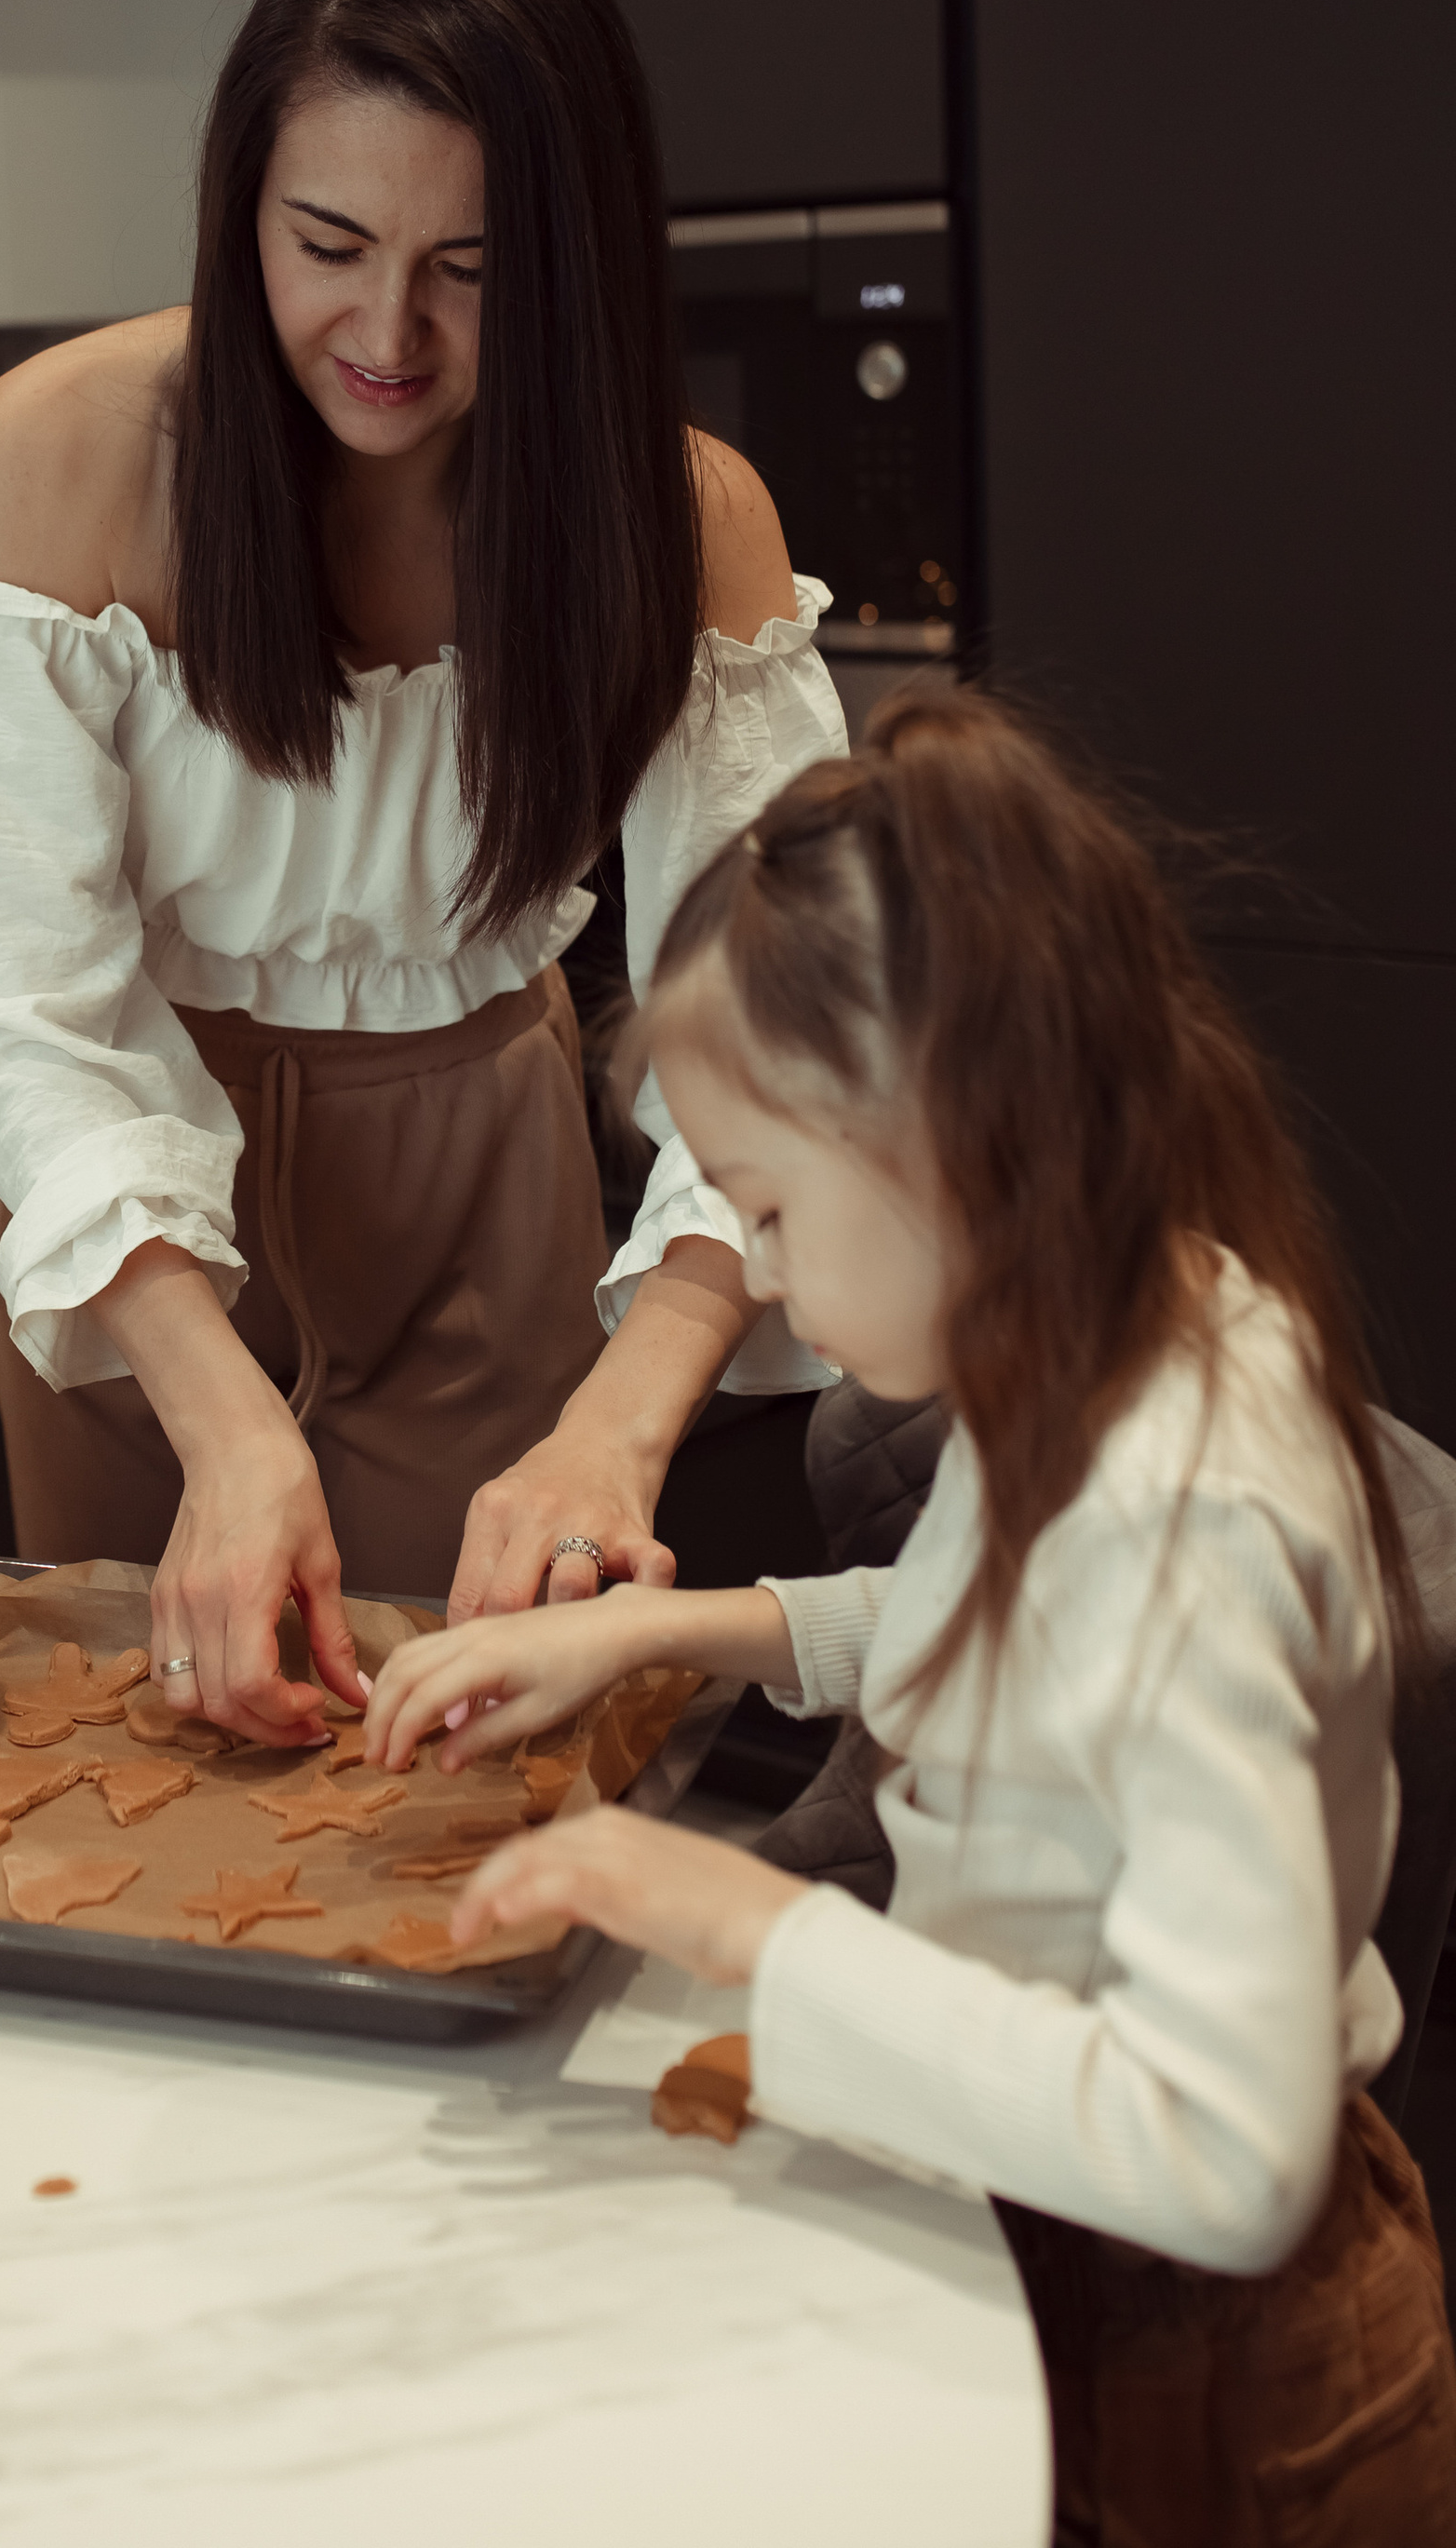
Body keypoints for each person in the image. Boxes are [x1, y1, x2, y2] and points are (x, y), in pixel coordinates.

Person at [363, 690, 1456, 2543]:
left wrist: (751, 1923)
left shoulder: (1177, 1508)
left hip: (1210, 2370)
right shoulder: (1105, 1341)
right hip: (1066, 2250)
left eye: (772, 1212)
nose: (763, 1281)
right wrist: (664, 1634)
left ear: (957, 1131)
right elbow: (1000, 1650)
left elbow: (1224, 2146)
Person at [0, 0, 844, 1746]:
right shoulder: (65, 456)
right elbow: (27, 1008)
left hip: (483, 1218)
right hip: (136, 1235)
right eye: (326, 242)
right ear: (239, 204)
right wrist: (220, 1413)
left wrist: (615, 1416)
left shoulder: (676, 518)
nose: (386, 331)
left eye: (472, 268)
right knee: (133, 1776)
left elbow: (782, 1033)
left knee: (445, 1793)